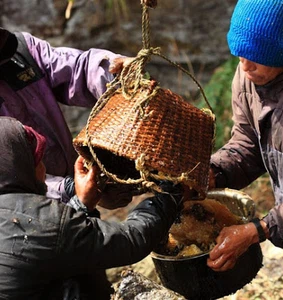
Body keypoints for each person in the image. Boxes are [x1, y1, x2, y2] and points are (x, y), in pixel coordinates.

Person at [0, 116, 183, 299]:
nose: (44, 168)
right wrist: (172, 193)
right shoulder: (41, 221)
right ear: (22, 167)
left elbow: (56, 246)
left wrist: (81, 204)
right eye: (38, 159)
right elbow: (132, 239)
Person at [206, 0, 283, 272]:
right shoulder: (248, 77)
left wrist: (258, 230)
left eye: (254, 56)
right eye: (238, 54)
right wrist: (214, 172)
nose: (244, 66)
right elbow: (248, 142)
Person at [0, 27, 128, 202]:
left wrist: (116, 74)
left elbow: (77, 69)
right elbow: (9, 183)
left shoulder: (22, 50)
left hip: (73, 186)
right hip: (24, 212)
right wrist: (71, 189)